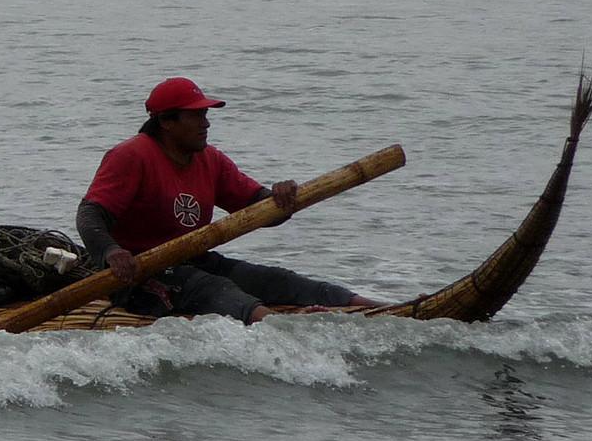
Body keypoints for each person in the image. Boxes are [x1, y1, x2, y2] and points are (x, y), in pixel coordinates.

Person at [75, 77, 383, 323]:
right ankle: (277, 327)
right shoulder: (131, 156)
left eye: (205, 115)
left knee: (277, 280)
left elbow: (259, 208)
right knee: (216, 290)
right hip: (142, 274)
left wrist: (282, 198)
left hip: (195, 260)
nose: (205, 123)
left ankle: (380, 308)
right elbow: (90, 214)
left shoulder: (210, 159)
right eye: (195, 116)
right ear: (167, 123)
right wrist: (112, 251)